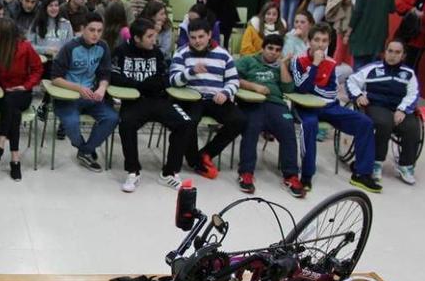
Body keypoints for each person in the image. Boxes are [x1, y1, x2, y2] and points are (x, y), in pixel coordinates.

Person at [289, 23, 380, 193]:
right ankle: (307, 176)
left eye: (324, 41)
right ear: (309, 42)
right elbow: (300, 88)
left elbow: (332, 93)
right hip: (304, 107)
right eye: (317, 40)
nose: (321, 44)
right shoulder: (297, 60)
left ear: (329, 42)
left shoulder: (331, 63)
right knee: (309, 126)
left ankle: (362, 174)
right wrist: (314, 65)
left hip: (329, 107)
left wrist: (312, 89)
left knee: (365, 122)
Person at [112, 18, 191, 191]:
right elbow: (115, 77)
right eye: (149, 37)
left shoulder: (156, 53)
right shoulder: (121, 51)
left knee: (185, 123)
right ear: (136, 38)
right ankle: (133, 172)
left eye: (154, 36)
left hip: (158, 99)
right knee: (126, 124)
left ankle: (169, 173)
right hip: (133, 100)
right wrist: (141, 85)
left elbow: (162, 80)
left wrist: (140, 84)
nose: (154, 40)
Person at [169, 18, 245, 180]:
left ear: (209, 35)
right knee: (189, 121)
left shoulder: (223, 54)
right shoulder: (181, 53)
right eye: (193, 37)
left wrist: (225, 93)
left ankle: (206, 153)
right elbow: (173, 80)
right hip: (191, 97)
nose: (197, 41)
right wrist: (190, 72)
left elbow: (234, 80)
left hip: (216, 98)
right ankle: (194, 162)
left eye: (201, 37)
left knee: (239, 120)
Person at [235, 34, 305, 197]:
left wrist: (282, 65)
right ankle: (246, 173)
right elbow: (231, 77)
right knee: (251, 128)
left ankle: (291, 176)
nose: (273, 52)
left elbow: (288, 89)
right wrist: (253, 86)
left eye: (277, 50)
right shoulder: (249, 61)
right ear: (263, 48)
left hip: (276, 105)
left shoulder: (280, 65)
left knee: (288, 130)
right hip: (253, 102)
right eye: (270, 48)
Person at [50, 12, 119, 172]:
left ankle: (85, 151)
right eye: (92, 30)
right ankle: (84, 149)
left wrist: (102, 88)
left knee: (112, 118)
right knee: (72, 124)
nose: (96, 34)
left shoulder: (103, 47)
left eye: (99, 31)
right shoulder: (70, 47)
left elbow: (105, 73)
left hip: (91, 96)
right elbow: (55, 78)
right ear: (82, 29)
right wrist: (78, 89)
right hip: (68, 96)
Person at [346, 39, 420, 185]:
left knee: (412, 127)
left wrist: (402, 109)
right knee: (383, 123)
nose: (392, 55)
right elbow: (351, 81)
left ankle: (406, 165)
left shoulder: (409, 74)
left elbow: (413, 94)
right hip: (377, 105)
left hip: (399, 108)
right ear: (385, 52)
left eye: (397, 52)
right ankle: (376, 163)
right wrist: (358, 95)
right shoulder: (372, 68)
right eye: (390, 51)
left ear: (403, 55)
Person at [0, 17, 43, 181]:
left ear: (6, 34)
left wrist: (26, 86)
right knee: (12, 108)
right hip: (1, 96)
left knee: (12, 103)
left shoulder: (25, 47)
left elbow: (38, 69)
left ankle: (1, 144)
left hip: (22, 94)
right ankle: (15, 159)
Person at [346, 0, 394, 69]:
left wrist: (348, 32)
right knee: (372, 67)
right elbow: (391, 9)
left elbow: (357, 13)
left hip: (361, 32)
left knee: (358, 67)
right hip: (379, 33)